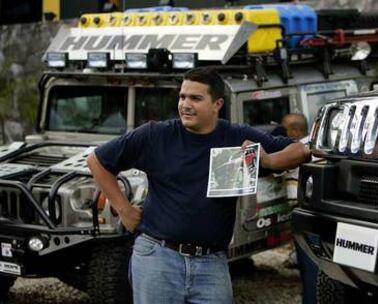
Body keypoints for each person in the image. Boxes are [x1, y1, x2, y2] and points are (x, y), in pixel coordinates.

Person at [87, 67, 310, 304]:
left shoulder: (236, 137)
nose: (185, 104)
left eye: (196, 98)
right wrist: (124, 209)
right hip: (158, 257)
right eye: (182, 97)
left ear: (217, 104)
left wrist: (269, 160)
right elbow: (97, 160)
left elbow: (301, 150)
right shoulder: (156, 135)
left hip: (211, 263)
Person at [281, 113, 318, 304]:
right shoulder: (315, 144)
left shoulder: (299, 151)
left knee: (310, 267)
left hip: (306, 220)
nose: (281, 133)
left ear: (295, 131)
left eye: (284, 129)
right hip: (316, 220)